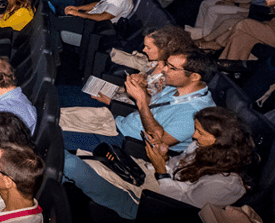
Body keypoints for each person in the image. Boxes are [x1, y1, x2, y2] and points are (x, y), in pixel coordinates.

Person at [63, 107, 253, 220]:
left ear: (221, 140)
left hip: (148, 205)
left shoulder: (226, 183)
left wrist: (161, 169)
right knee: (87, 158)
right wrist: (162, 155)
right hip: (148, 178)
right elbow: (174, 167)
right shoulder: (201, 147)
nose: (194, 136)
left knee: (72, 165)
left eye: (201, 133)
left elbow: (180, 209)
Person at [63, 49, 216, 154]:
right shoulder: (178, 85)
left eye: (172, 68)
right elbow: (154, 105)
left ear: (194, 77)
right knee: (58, 115)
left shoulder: (196, 112)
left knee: (57, 136)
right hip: (119, 123)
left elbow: (158, 141)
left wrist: (141, 100)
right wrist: (141, 90)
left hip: (126, 141)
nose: (164, 70)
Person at [54, 0, 134, 48]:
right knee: (58, 10)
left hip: (94, 26)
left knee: (54, 21)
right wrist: (78, 8)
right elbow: (98, 4)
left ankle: (54, 52)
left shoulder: (121, 0)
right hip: (89, 19)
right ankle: (57, 44)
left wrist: (79, 14)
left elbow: (102, 17)